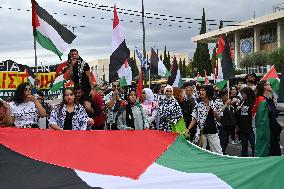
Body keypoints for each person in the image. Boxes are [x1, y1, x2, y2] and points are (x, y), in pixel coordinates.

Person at [186, 85, 222, 154]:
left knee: (218, 152)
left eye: (203, 90)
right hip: (201, 133)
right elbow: (194, 118)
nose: (200, 92)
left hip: (213, 132)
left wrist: (216, 114)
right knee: (201, 152)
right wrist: (188, 129)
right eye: (200, 90)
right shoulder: (198, 105)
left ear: (208, 92)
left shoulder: (216, 103)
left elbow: (219, 120)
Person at [253, 80, 282, 157]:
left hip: (273, 133)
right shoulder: (262, 101)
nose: (271, 86)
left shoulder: (269, 100)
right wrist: (265, 137)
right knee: (269, 155)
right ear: (265, 87)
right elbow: (261, 122)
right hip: (268, 135)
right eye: (269, 84)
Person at [237, 87, 255, 157]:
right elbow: (239, 115)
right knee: (244, 146)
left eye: (243, 94)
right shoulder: (242, 102)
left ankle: (255, 158)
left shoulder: (254, 102)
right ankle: (244, 158)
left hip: (251, 128)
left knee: (254, 145)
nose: (242, 95)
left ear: (248, 94)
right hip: (243, 128)